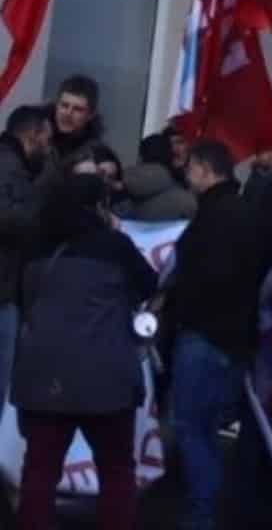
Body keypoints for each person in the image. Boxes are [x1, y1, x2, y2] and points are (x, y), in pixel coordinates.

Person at [11, 174, 156, 530]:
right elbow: (149, 285)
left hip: (43, 378)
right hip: (106, 379)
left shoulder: (35, 247)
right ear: (98, 208)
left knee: (39, 473)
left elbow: (23, 301)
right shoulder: (114, 246)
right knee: (117, 471)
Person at [166, 140, 272, 530]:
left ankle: (201, 516)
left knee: (193, 430)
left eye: (189, 168)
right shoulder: (247, 214)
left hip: (203, 336)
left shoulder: (211, 218)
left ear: (203, 168)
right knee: (207, 432)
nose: (186, 175)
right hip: (234, 339)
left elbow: (202, 278)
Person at [0, 105, 53, 419]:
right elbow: (7, 216)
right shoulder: (8, 167)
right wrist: (42, 214)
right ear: (33, 136)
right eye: (46, 140)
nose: (48, 148)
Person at [121, 133, 198, 221]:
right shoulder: (185, 197)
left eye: (180, 142)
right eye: (172, 145)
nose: (176, 149)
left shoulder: (123, 177)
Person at [49, 73, 104, 163]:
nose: (68, 113)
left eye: (77, 109)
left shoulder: (94, 156)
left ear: (91, 115)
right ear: (56, 105)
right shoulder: (35, 140)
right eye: (64, 105)